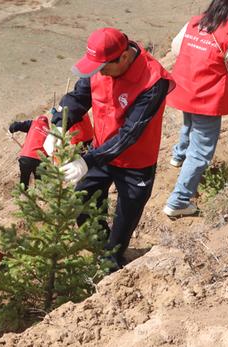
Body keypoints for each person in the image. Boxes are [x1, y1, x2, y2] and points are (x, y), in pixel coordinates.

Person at [47, 27, 173, 270]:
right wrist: (58, 126)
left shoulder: (153, 81)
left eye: (104, 67)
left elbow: (130, 134)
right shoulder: (100, 66)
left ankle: (111, 265)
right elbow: (78, 97)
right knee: (84, 204)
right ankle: (99, 246)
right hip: (101, 153)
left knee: (123, 224)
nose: (100, 73)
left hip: (136, 164)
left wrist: (87, 161)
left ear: (124, 57)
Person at [163, 0, 228, 217]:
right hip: (207, 96)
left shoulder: (195, 22)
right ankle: (179, 201)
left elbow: (176, 47)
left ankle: (178, 156)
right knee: (201, 151)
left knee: (189, 124)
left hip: (184, 87)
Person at [8, 113, 93, 188]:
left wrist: (11, 130)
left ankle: (24, 198)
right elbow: (50, 150)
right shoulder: (49, 133)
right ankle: (40, 198)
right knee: (40, 181)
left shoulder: (33, 124)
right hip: (39, 159)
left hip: (25, 156)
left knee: (24, 180)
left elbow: (16, 125)